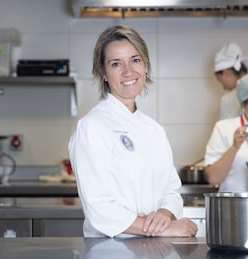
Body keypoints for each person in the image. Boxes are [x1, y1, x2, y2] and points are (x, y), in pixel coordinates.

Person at [69, 25, 197, 238]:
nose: (128, 71)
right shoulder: (92, 127)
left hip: (155, 255)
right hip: (111, 258)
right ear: (103, 73)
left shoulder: (154, 130)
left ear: (145, 65)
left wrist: (165, 214)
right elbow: (98, 207)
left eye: (135, 60)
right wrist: (166, 229)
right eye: (116, 64)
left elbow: (171, 190)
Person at [214, 42, 248, 120]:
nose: (223, 87)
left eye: (220, 80)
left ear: (227, 73)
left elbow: (224, 131)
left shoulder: (228, 99)